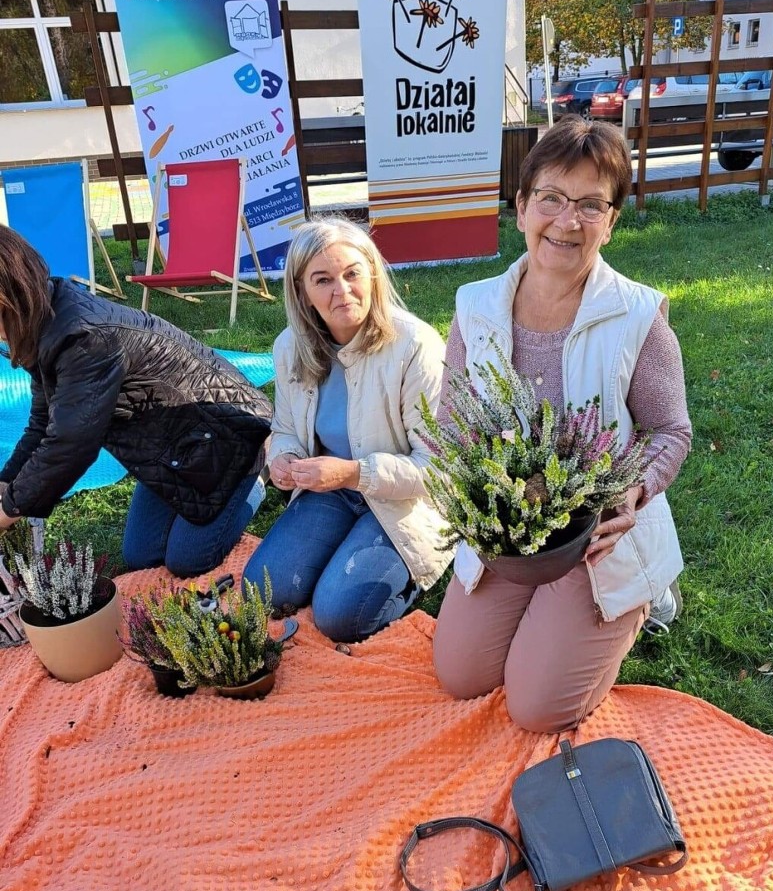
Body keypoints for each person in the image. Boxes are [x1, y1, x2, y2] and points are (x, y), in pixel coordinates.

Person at [432, 117, 692, 733]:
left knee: (536, 708)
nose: (567, 221)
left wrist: (635, 491)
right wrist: (473, 493)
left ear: (612, 219)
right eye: (550, 198)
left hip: (598, 534)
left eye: (590, 204)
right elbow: (450, 420)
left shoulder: (637, 315)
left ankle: (642, 599)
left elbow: (670, 431)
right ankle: (541, 612)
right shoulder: (475, 306)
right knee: (460, 675)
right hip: (511, 529)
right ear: (521, 206)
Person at [0, 224, 271, 577]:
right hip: (172, 444)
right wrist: (6, 483)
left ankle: (257, 474)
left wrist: (8, 510)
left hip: (229, 433)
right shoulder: (44, 321)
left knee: (188, 561)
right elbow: (43, 423)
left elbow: (70, 444)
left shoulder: (83, 338)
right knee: (142, 557)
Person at [241, 217, 450, 643]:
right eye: (323, 280)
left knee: (338, 617)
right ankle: (344, 550)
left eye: (353, 273)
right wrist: (283, 458)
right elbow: (283, 428)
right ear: (302, 291)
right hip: (329, 491)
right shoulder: (289, 347)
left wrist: (354, 474)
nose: (342, 290)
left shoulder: (416, 346)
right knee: (264, 590)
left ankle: (422, 563)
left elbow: (439, 468)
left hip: (406, 503)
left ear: (372, 273)